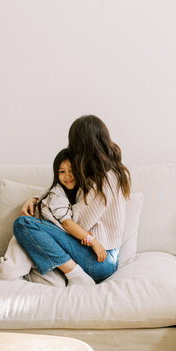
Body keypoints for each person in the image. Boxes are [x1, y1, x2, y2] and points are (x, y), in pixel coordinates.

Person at [0, 147, 111, 285]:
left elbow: (45, 195)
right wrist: (91, 240)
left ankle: (28, 270)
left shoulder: (78, 193)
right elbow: (66, 223)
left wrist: (33, 198)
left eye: (71, 171)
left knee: (57, 284)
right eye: (61, 172)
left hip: (47, 246)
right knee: (6, 272)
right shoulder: (57, 193)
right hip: (30, 236)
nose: (67, 176)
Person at [13, 114, 131, 286]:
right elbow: (63, 186)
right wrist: (36, 198)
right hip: (97, 255)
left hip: (99, 259)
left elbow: (76, 222)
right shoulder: (100, 172)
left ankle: (75, 275)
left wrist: (48, 208)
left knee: (23, 224)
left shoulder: (106, 179)